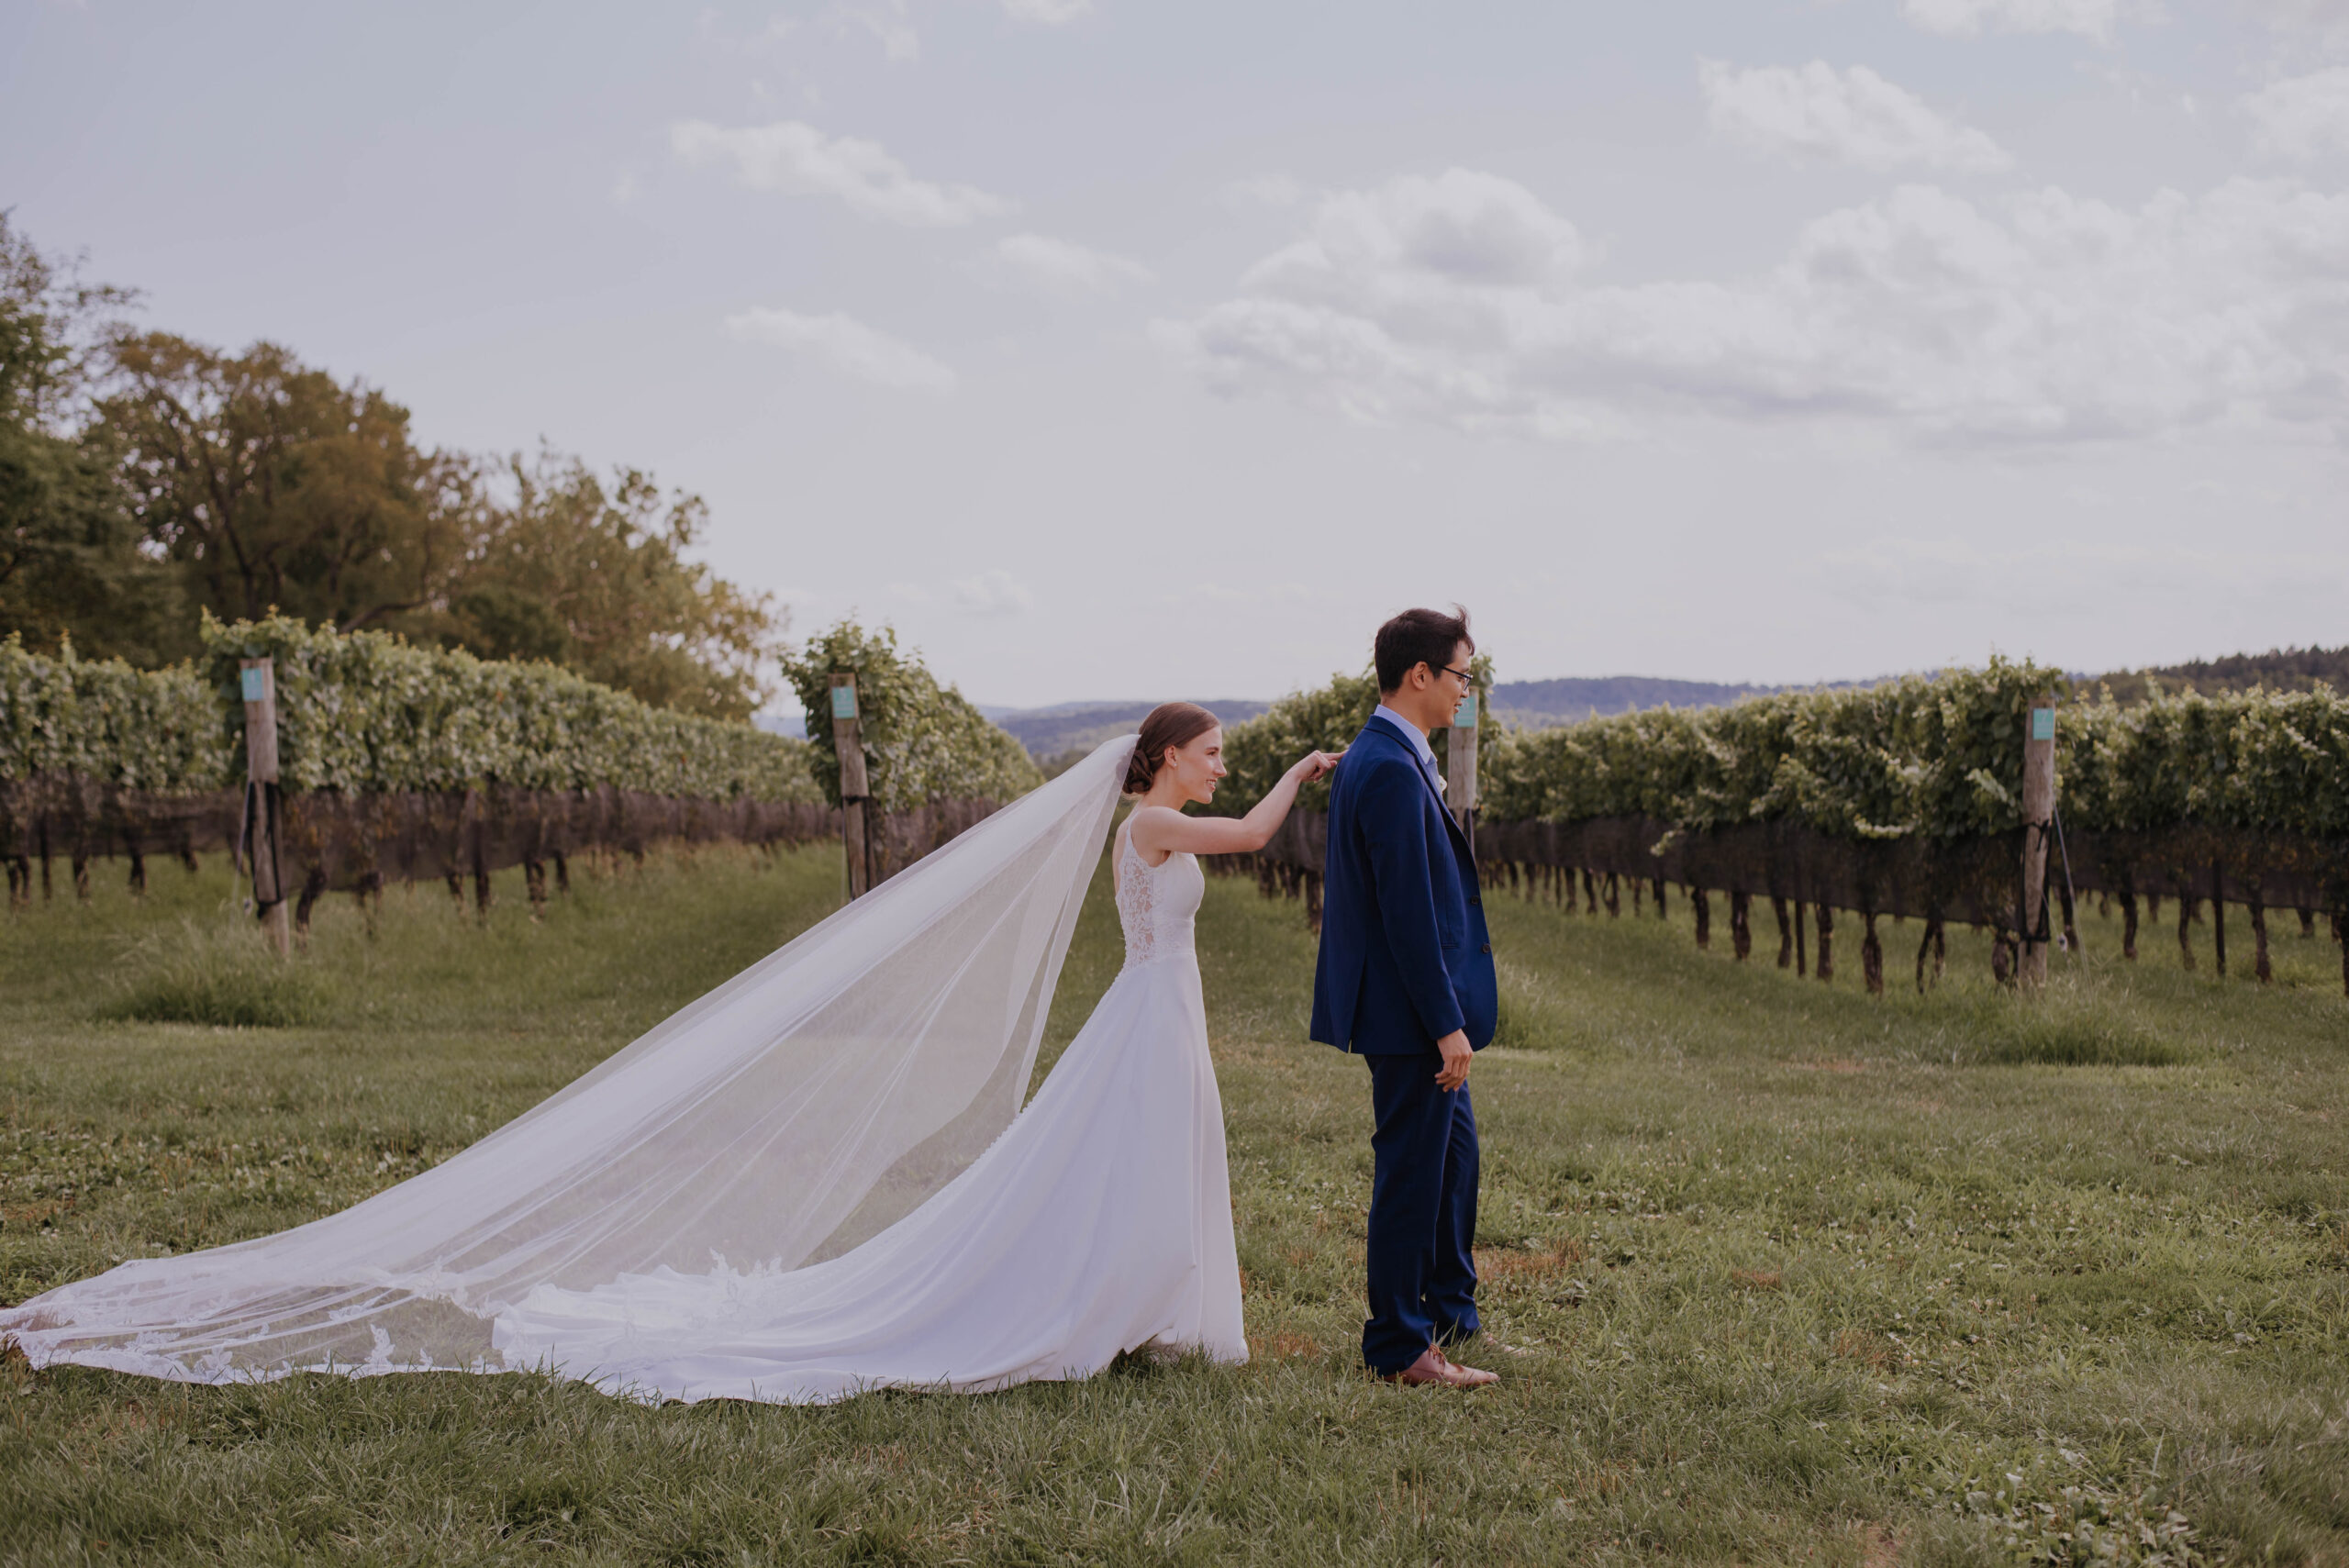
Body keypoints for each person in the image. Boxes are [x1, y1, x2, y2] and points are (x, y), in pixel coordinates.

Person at [1, 708, 1340, 1406]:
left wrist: (1285, 773)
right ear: (1162, 761)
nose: (1224, 763)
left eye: (1228, 751)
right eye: (1212, 747)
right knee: (1121, 1160)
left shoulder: (1154, 826)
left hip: (1161, 1018)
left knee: (1145, 1161)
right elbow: (1258, 843)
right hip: (1152, 1023)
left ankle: (1148, 1306)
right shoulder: (1159, 830)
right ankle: (1109, 1307)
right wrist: (1302, 774)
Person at [1310, 606, 1502, 1389]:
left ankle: (1453, 1312)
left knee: (1454, 1161)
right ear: (1420, 674)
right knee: (1412, 1172)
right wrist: (1445, 1023)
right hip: (1407, 1011)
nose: (1467, 689)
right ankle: (1398, 1344)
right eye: (1461, 674)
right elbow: (1407, 912)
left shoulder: (1393, 750)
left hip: (1412, 1006)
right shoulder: (1387, 764)